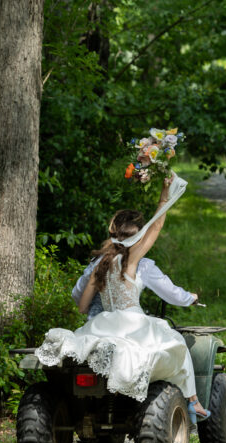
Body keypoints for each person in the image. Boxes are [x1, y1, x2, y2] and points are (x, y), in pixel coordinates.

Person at [36, 174, 210, 423]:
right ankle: (194, 403)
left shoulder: (99, 266)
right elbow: (156, 226)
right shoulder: (131, 261)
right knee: (178, 345)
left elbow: (82, 307)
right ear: (134, 238)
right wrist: (164, 196)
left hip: (104, 323)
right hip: (133, 323)